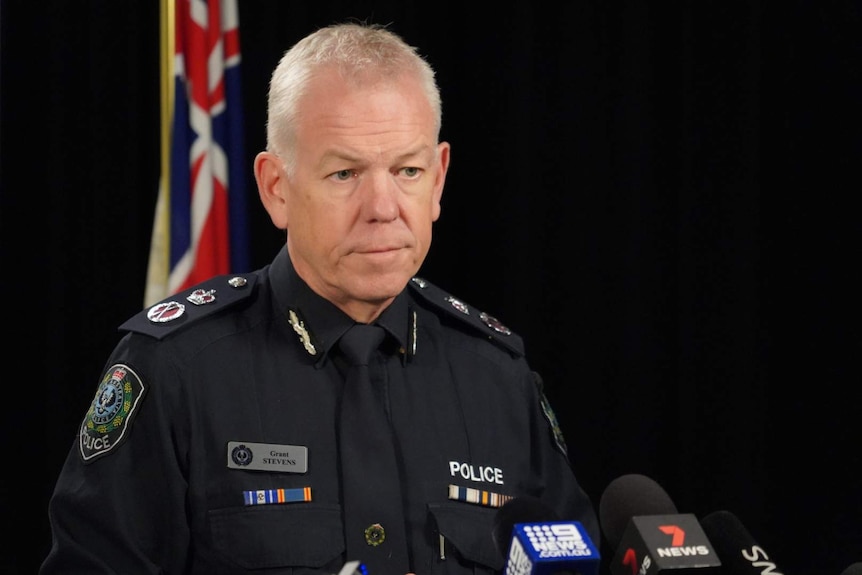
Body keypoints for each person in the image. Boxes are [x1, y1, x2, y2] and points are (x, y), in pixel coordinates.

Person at [40, 21, 599, 575]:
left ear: (439, 180)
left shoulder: (497, 379)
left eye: (407, 170)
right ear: (275, 187)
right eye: (344, 173)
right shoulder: (174, 370)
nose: (383, 207)